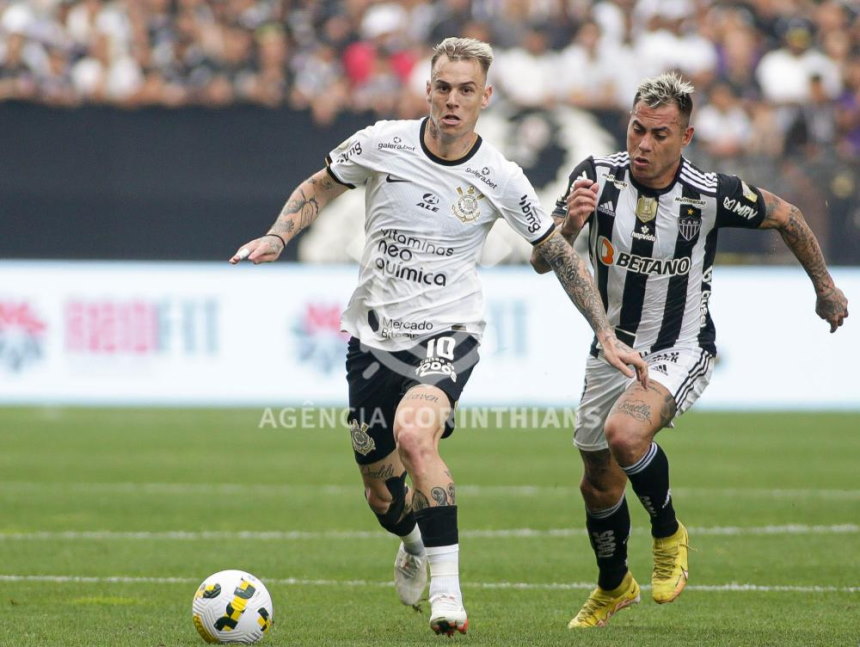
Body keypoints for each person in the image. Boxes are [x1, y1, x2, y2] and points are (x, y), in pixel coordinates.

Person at [229, 37, 647, 636]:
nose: (453, 100)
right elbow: (321, 184)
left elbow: (553, 250)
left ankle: (448, 599)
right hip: (373, 338)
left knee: (415, 435)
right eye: (444, 87)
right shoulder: (380, 143)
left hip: (450, 332)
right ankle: (415, 545)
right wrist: (277, 235)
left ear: (486, 98)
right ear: (428, 89)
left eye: (466, 91)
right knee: (380, 492)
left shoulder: (500, 176)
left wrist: (604, 332)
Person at [531, 71, 848, 629]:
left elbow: (789, 217)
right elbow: (542, 257)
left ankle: (669, 531)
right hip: (610, 350)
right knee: (597, 483)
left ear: (686, 137)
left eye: (659, 134)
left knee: (626, 434)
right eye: (636, 130)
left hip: (679, 346)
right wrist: (571, 225)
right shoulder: (595, 176)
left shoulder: (710, 193)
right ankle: (612, 587)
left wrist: (825, 287)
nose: (643, 145)